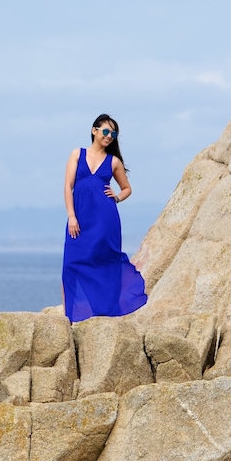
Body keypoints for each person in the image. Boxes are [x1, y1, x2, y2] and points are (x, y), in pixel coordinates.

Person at [61, 114, 147, 322]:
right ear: (94, 130)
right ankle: (69, 316)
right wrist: (71, 216)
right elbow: (67, 186)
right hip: (79, 217)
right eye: (106, 131)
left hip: (104, 220)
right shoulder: (77, 154)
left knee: (103, 261)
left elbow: (127, 189)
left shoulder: (113, 161)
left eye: (113, 133)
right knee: (71, 264)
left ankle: (106, 311)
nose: (110, 136)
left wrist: (116, 197)